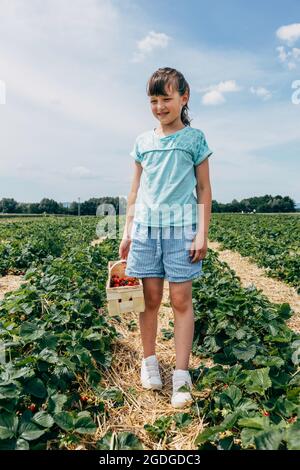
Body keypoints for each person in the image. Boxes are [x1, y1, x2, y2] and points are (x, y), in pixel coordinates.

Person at [119, 67, 213, 408]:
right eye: (154, 100)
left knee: (181, 300)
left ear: (184, 97)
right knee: (150, 298)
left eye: (167, 99)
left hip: (181, 231)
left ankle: (182, 374)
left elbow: (204, 189)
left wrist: (202, 232)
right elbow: (134, 191)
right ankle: (150, 363)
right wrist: (128, 230)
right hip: (145, 230)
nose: (160, 106)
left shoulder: (195, 139)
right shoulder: (143, 141)